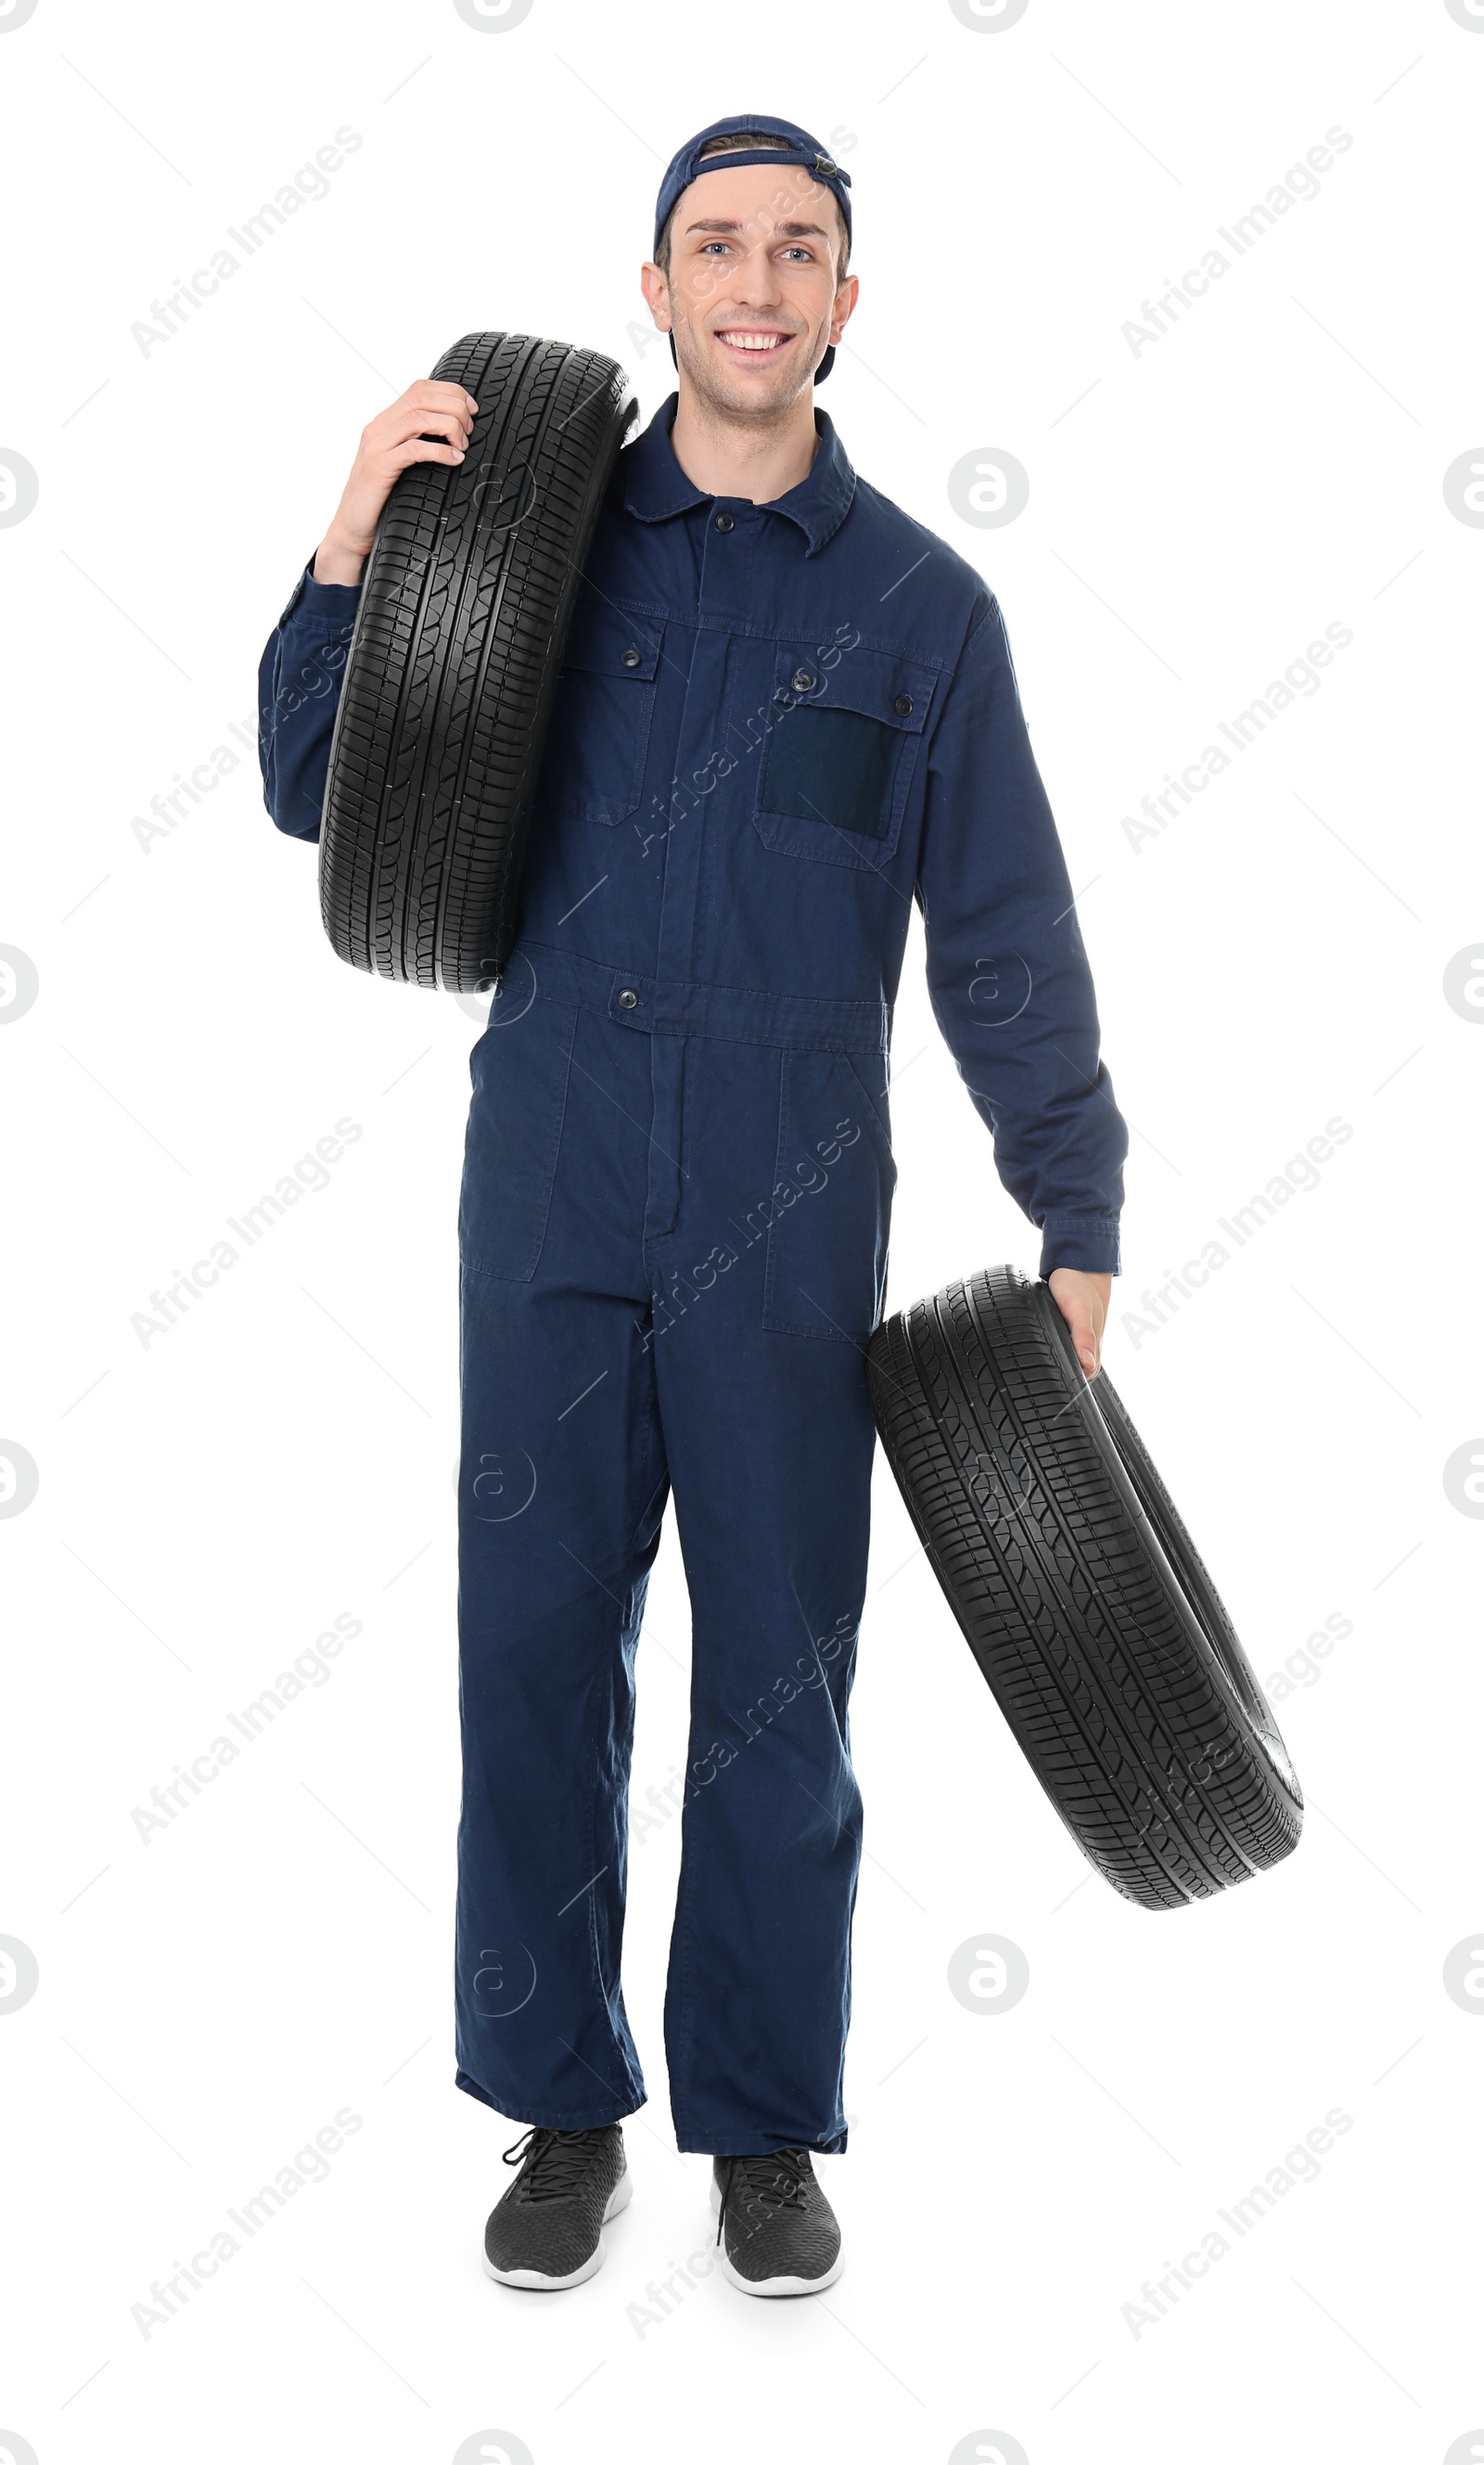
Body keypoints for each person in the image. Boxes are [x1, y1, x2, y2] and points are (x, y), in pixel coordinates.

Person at [258, 112, 1127, 2300]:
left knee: (778, 1685)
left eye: (798, 250)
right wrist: (357, 533)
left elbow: (998, 934)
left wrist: (1074, 1203)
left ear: (847, 304)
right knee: (532, 1656)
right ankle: (560, 2109)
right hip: (546, 1188)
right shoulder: (526, 547)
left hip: (788, 1215)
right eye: (714, 247)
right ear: (649, 292)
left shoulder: (924, 611)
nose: (755, 283)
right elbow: (309, 784)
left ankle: (759, 2124)